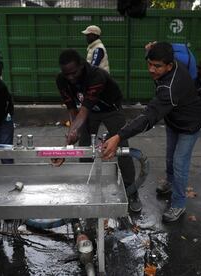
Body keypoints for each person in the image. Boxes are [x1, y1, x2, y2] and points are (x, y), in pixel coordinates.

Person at [102, 42, 201, 223]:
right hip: (174, 119)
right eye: (149, 64)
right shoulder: (168, 61)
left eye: (157, 66)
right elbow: (168, 48)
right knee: (169, 158)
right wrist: (151, 49)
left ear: (169, 66)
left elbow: (149, 116)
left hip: (190, 125)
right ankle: (170, 183)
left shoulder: (170, 88)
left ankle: (179, 204)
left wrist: (119, 136)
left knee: (180, 163)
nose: (151, 69)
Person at [53, 49, 141, 212]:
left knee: (121, 148)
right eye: (67, 74)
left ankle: (132, 191)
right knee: (84, 147)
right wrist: (70, 141)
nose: (71, 78)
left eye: (74, 73)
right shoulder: (62, 80)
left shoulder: (96, 75)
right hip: (90, 112)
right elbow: (73, 110)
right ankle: (88, 186)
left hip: (110, 110)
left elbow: (84, 110)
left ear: (82, 65)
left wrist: (68, 141)